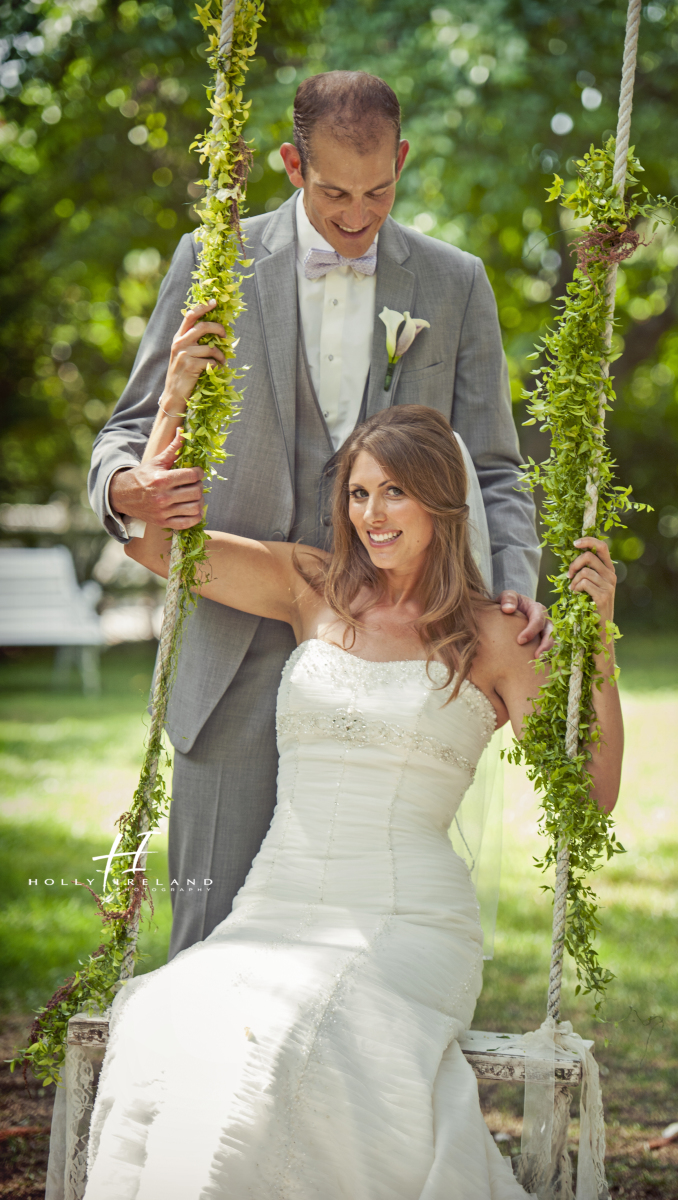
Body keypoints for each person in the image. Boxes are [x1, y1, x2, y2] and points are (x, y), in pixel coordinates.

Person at [83, 404, 622, 1200]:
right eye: (360, 493)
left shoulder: (496, 635)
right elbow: (154, 545)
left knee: (299, 1032)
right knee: (178, 1015)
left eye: (394, 492)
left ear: (442, 502)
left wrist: (600, 641)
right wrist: (171, 409)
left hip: (408, 922)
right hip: (276, 906)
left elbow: (591, 800)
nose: (371, 515)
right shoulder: (313, 586)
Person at [87, 71, 550, 960]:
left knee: (365, 938)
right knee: (209, 940)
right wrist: (122, 490)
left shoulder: (454, 284)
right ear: (294, 164)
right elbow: (129, 430)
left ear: (402, 161)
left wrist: (514, 591)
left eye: (378, 192)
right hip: (230, 640)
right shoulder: (214, 259)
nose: (355, 214)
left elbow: (493, 466)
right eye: (334, 191)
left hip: (386, 652)